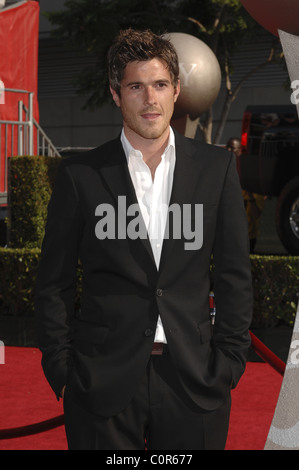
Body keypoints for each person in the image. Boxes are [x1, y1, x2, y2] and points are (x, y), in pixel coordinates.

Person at [35, 29, 253, 451]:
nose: (149, 98)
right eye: (136, 86)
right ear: (116, 94)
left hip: (194, 382)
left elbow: (234, 276)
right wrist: (61, 368)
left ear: (176, 91)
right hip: (101, 383)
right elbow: (53, 283)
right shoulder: (81, 176)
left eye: (159, 85)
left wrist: (229, 363)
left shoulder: (217, 169)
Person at [226, 137, 265, 253]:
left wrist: (249, 194)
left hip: (247, 238)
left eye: (232, 148)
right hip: (229, 237)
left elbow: (256, 214)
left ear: (240, 151)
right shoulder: (223, 174)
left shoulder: (251, 179)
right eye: (227, 147)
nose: (228, 150)